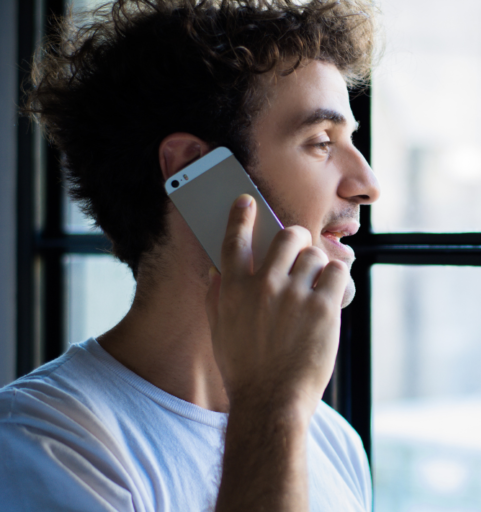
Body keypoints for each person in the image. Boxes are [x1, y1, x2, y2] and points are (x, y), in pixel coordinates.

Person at [0, 1, 380, 510]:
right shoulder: (41, 445)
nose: (367, 185)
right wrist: (271, 405)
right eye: (320, 142)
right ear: (195, 169)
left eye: (350, 140)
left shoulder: (334, 442)